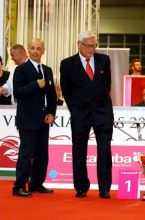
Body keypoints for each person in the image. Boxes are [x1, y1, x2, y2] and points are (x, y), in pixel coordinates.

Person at [60, 31, 114, 199]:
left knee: (104, 151)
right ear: (79, 44)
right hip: (80, 114)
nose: (91, 49)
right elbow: (66, 90)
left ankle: (104, 188)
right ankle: (81, 187)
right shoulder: (67, 64)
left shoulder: (104, 60)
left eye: (94, 45)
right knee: (78, 150)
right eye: (88, 45)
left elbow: (108, 85)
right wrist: (76, 109)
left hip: (103, 113)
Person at [12, 38, 57, 197]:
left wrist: (52, 113)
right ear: (28, 50)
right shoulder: (21, 70)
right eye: (32, 48)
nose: (36, 51)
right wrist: (35, 85)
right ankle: (18, 187)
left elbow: (52, 96)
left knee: (42, 154)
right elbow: (18, 93)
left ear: (43, 51)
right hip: (27, 119)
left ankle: (36, 184)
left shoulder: (48, 70)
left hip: (44, 119)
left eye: (39, 48)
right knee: (26, 154)